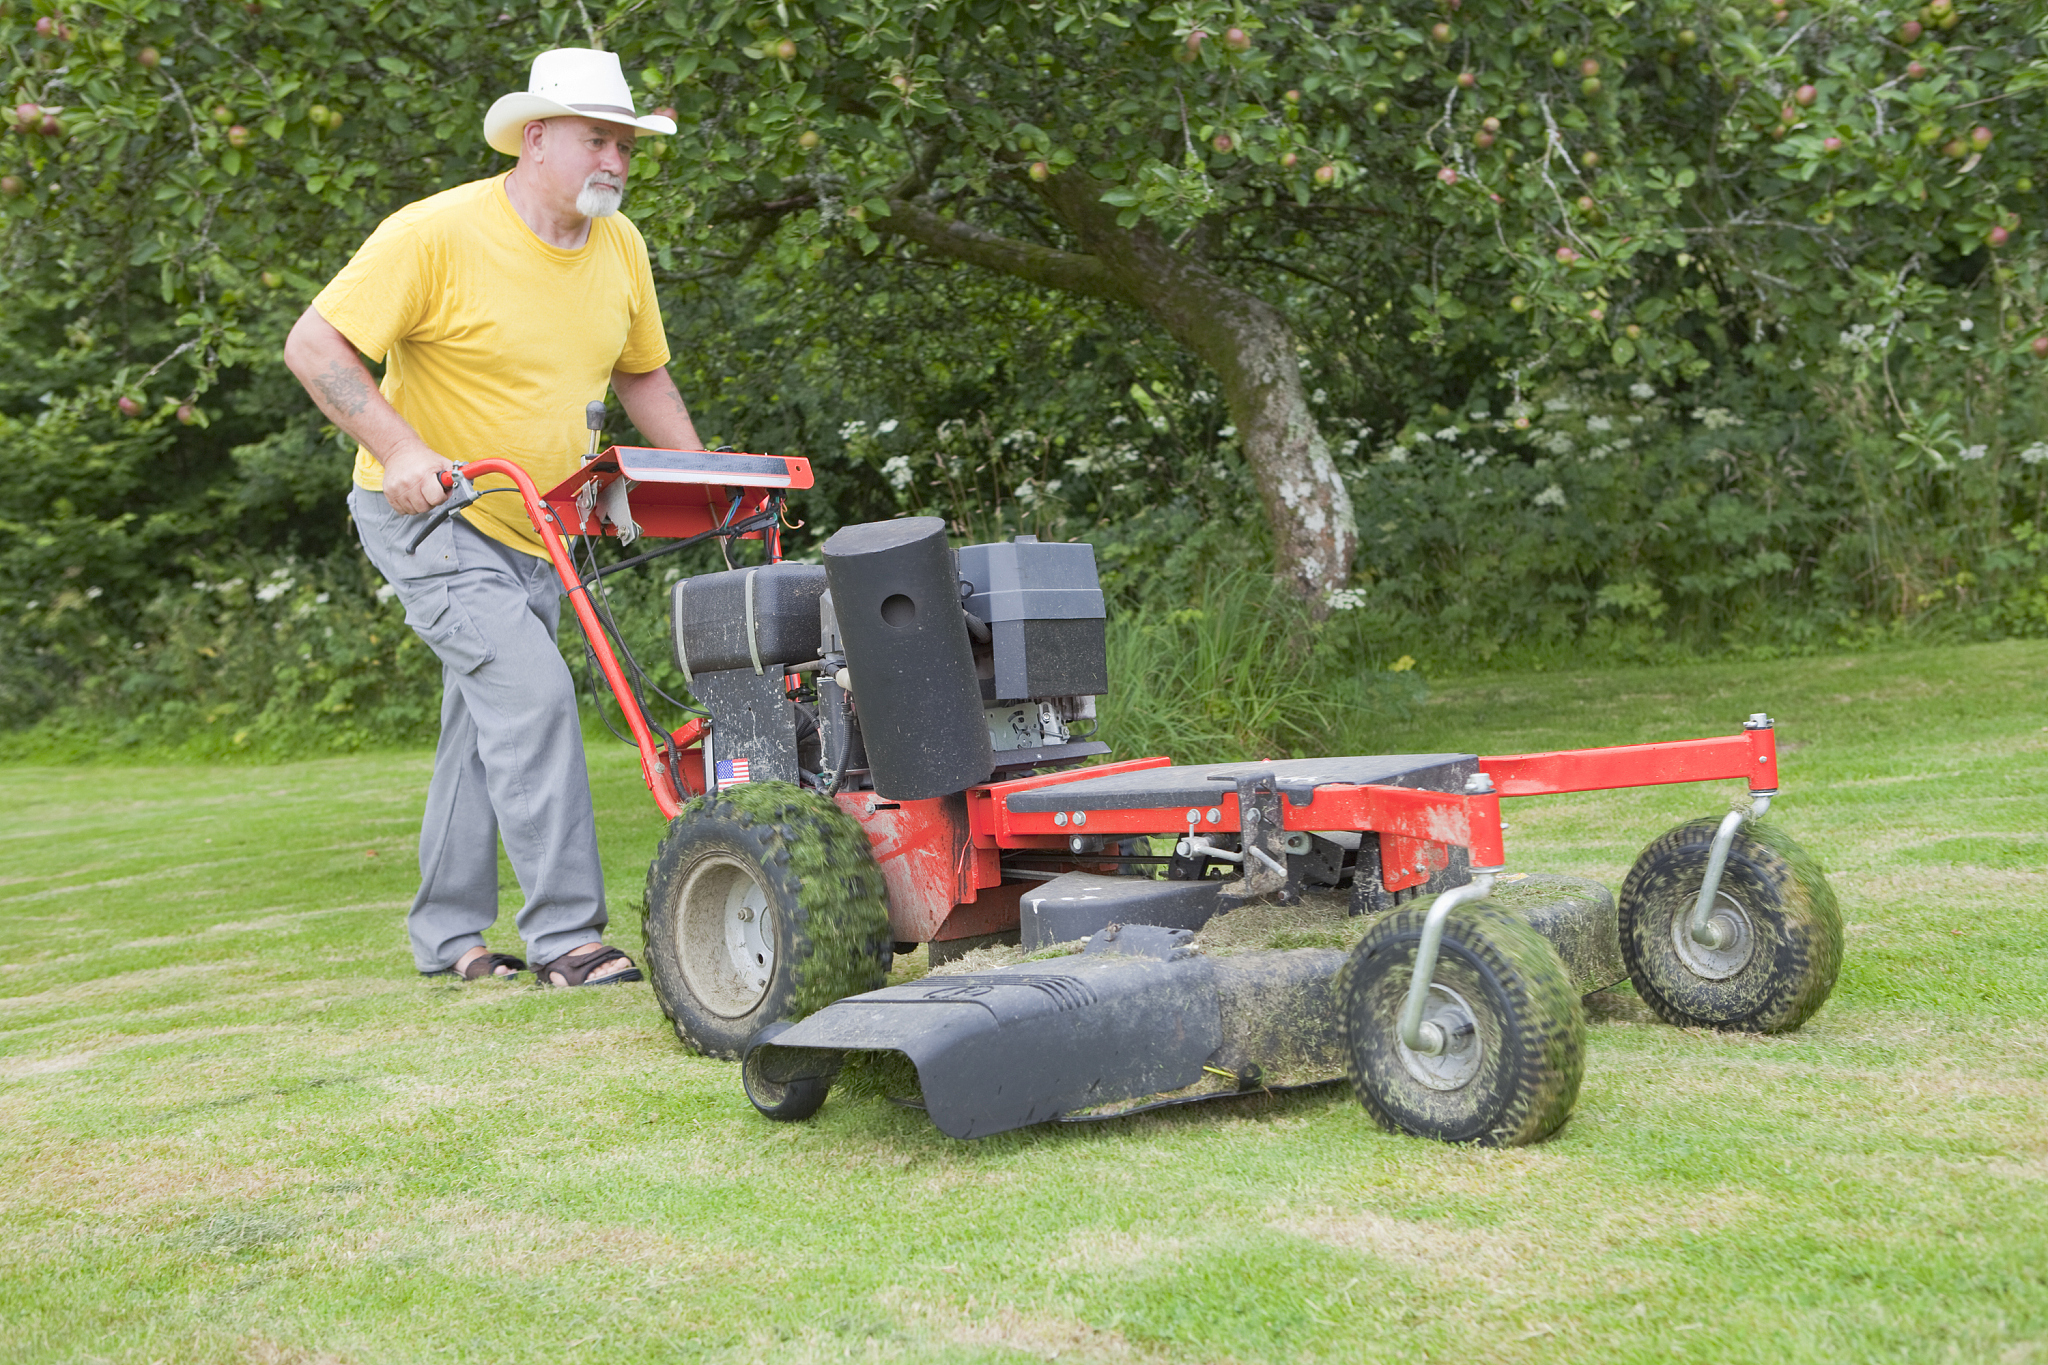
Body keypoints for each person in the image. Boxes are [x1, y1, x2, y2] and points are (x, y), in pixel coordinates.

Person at [284, 49, 699, 986]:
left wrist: (694, 477)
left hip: (538, 523)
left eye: (626, 145)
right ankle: (567, 939)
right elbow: (315, 344)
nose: (618, 163)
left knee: (484, 725)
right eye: (599, 140)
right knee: (535, 697)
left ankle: (448, 937)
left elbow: (641, 371)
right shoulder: (434, 235)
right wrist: (401, 450)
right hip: (433, 518)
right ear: (536, 137)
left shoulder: (619, 245)